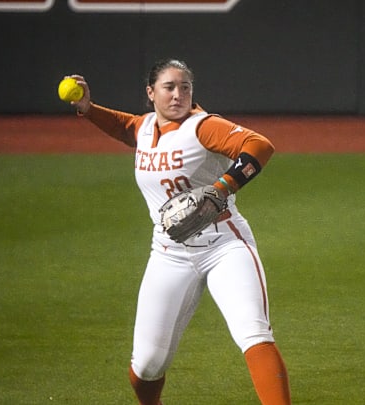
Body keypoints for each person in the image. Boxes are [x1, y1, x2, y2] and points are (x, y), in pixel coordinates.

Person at [62, 59, 291, 405]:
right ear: (151, 93)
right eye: (169, 87)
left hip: (224, 246)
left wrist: (223, 186)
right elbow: (127, 128)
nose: (178, 94)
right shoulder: (145, 128)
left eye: (185, 87)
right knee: (146, 367)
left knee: (254, 333)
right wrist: (88, 109)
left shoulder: (202, 126)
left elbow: (260, 146)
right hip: (168, 255)